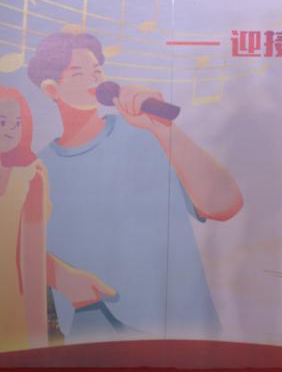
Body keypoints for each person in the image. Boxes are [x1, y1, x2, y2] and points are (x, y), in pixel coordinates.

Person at [27, 31, 243, 342]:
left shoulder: (147, 134)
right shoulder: (39, 169)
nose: (93, 79)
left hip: (177, 327)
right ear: (52, 89)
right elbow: (23, 247)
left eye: (97, 71)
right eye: (78, 73)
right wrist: (64, 278)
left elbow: (225, 204)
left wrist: (162, 129)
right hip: (90, 324)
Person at [0, 85, 113, 352]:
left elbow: (32, 261)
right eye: (2, 122)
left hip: (10, 297)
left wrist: (36, 340)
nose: (10, 131)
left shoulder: (30, 177)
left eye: (17, 123)